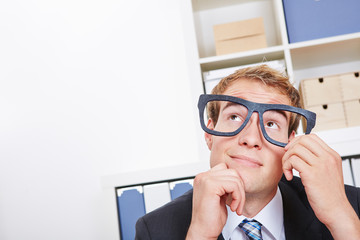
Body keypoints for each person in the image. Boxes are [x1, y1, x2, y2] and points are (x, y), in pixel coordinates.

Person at [135, 65, 360, 240]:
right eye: (234, 117)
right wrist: (200, 235)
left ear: (290, 145)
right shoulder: (154, 230)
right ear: (209, 134)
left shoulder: (350, 206)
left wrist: (342, 220)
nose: (251, 138)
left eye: (271, 123)